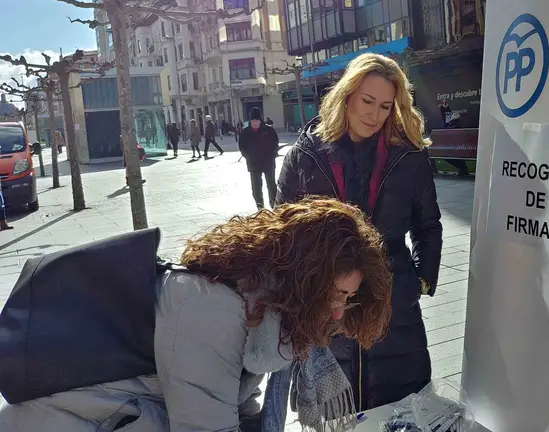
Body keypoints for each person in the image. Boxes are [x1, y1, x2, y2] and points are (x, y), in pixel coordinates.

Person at [0, 197, 393, 431]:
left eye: (349, 299)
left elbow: (230, 392)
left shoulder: (261, 306)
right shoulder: (212, 309)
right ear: (304, 281)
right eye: (335, 295)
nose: (339, 311)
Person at [276, 52, 443, 410]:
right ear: (347, 95)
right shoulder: (305, 156)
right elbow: (283, 233)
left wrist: (421, 281)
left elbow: (428, 225)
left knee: (401, 410)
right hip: (326, 307)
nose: (374, 114)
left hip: (394, 308)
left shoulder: (408, 157)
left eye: (385, 106)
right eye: (367, 101)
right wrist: (304, 290)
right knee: (336, 413)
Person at [239, 108, 279, 209]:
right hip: (254, 164)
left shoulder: (269, 130)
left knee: (272, 186)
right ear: (250, 121)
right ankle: (260, 208)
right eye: (253, 120)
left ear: (261, 121)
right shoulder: (245, 133)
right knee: (256, 189)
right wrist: (249, 157)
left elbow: (275, 144)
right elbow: (242, 148)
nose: (255, 123)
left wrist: (271, 155)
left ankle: (273, 205)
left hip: (268, 163)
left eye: (257, 120)